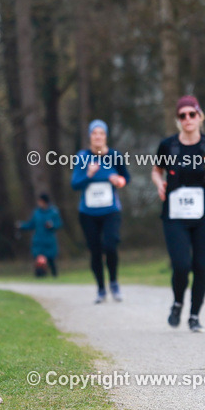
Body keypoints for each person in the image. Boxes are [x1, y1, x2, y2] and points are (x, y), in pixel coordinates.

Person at [151, 96, 205, 333]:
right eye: (182, 115)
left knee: (202, 266)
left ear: (200, 117)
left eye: (191, 114)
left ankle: (194, 315)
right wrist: (159, 183)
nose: (187, 119)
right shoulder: (168, 146)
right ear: (178, 119)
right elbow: (156, 171)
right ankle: (177, 303)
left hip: (204, 215)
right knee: (181, 265)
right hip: (174, 216)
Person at [71, 120, 130, 302]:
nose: (98, 136)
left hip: (110, 210)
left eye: (101, 133)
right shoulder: (82, 157)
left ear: (106, 136)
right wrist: (88, 174)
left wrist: (117, 180)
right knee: (95, 251)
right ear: (90, 136)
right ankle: (101, 289)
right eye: (94, 133)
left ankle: (113, 282)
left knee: (110, 245)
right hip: (88, 213)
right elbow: (75, 184)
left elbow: (125, 178)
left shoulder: (114, 156)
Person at [18, 193, 63, 277]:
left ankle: (54, 276)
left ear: (45, 202)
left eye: (40, 201)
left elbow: (59, 224)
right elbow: (31, 224)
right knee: (38, 260)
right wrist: (22, 226)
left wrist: (52, 225)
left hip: (49, 240)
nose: (39, 203)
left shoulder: (53, 212)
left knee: (51, 259)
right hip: (38, 240)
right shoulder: (36, 213)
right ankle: (39, 275)